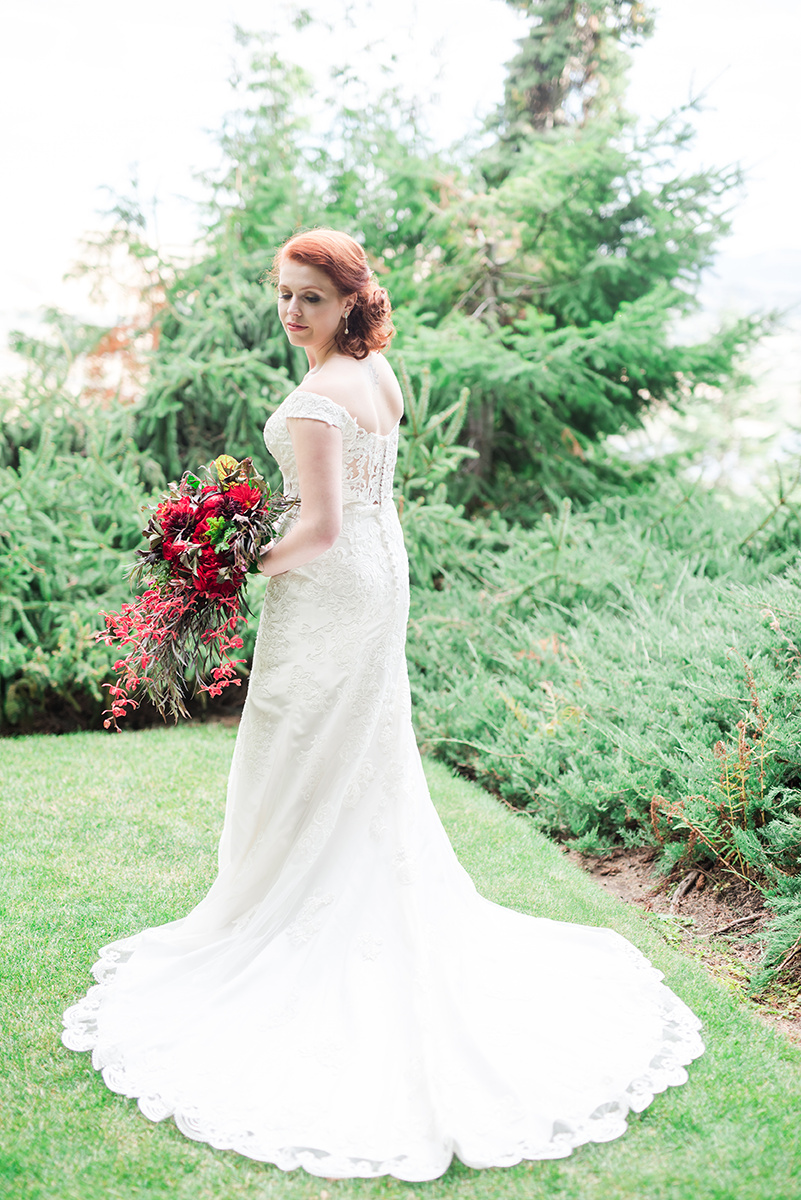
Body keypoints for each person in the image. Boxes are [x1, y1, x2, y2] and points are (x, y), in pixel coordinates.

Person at [63, 228, 704, 1182]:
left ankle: (286, 917)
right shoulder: (380, 373)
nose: (292, 312)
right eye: (283, 293)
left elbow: (316, 529)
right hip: (373, 579)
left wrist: (227, 569)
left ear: (349, 301)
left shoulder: (320, 396)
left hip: (330, 592)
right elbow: (370, 507)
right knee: (347, 750)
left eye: (311, 298)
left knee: (297, 746)